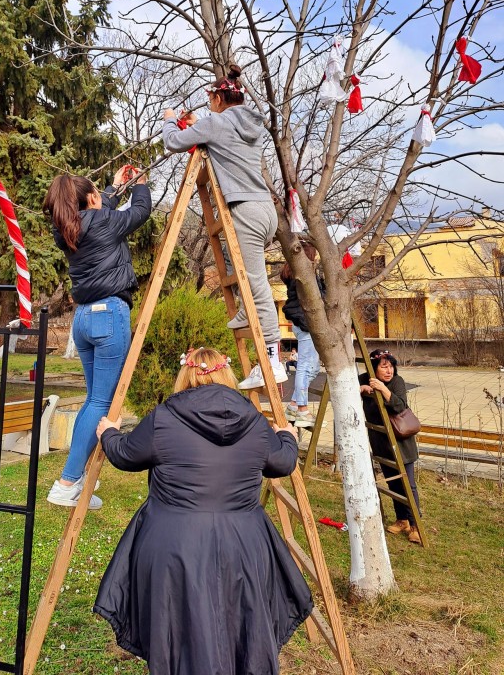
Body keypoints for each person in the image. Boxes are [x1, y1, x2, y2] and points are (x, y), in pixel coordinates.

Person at [94, 347, 314, 675]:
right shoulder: (254, 420)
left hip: (176, 547)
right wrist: (288, 437)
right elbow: (282, 462)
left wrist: (108, 433)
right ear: (226, 375)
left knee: (179, 632)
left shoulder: (165, 417)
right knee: (240, 627)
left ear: (186, 374)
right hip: (243, 545)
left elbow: (126, 455)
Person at [162, 64, 287, 389]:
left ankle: (273, 360)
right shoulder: (251, 124)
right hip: (264, 208)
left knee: (256, 283)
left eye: (211, 101)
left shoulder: (215, 123)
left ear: (218, 98)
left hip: (244, 209)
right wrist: (199, 126)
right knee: (234, 263)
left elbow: (173, 141)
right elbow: (219, 139)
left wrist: (168, 118)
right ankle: (246, 314)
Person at [42, 166, 152, 509]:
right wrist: (141, 186)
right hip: (109, 315)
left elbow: (96, 208)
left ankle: (76, 478)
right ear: (91, 200)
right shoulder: (102, 221)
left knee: (94, 401)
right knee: (101, 404)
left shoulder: (67, 230)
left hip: (85, 319)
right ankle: (67, 482)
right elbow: (140, 212)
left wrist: (115, 187)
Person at [359, 350, 422, 544]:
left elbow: (400, 406)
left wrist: (383, 390)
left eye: (391, 366)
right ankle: (402, 519)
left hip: (401, 444)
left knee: (408, 485)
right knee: (393, 483)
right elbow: (347, 386)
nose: (389, 370)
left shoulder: (397, 382)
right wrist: (361, 388)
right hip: (381, 442)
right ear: (373, 368)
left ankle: (415, 525)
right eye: (383, 366)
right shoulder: (364, 378)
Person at [280, 254, 322, 427]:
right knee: (305, 367)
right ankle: (302, 410)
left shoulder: (295, 273)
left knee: (313, 367)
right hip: (305, 324)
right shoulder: (303, 274)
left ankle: (294, 405)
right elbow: (318, 295)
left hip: (301, 324)